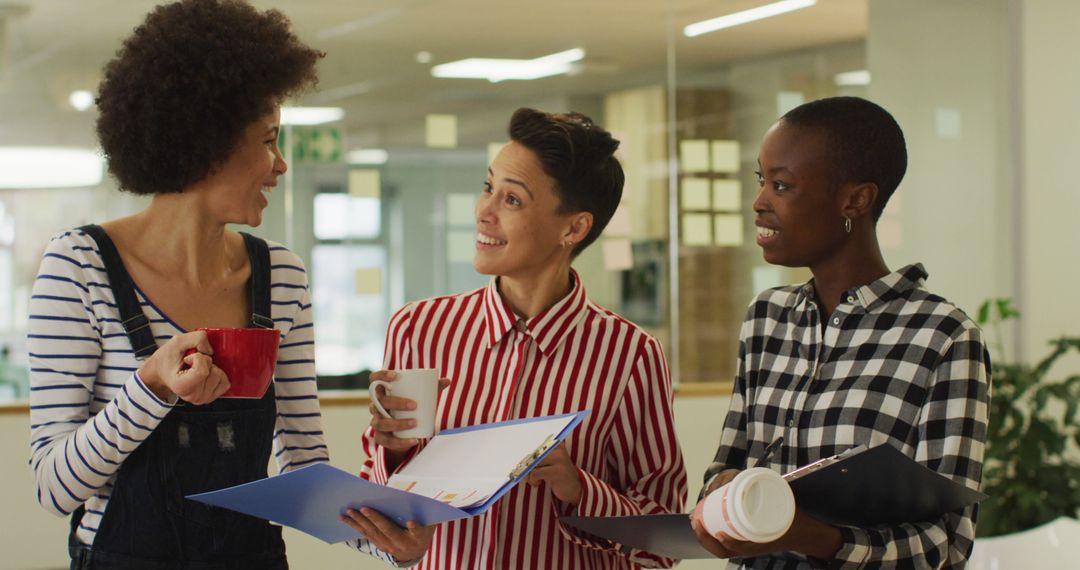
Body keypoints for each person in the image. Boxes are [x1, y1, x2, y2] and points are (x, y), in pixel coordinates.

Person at [26, 1, 327, 568]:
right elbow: (53, 487)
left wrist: (381, 536)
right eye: (268, 139)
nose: (280, 164)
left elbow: (305, 459)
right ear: (206, 141)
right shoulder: (80, 267)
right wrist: (152, 388)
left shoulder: (280, 275)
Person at [343, 108, 688, 569]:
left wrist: (578, 487)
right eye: (489, 187)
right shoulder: (417, 329)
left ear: (574, 228)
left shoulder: (629, 355)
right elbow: (374, 489)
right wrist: (393, 463)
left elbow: (664, 539)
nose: (483, 212)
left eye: (512, 200)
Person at [690, 96, 990, 569]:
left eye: (782, 185)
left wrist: (813, 537)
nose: (759, 202)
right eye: (761, 181)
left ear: (856, 199)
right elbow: (727, 465)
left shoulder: (943, 337)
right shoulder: (766, 317)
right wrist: (723, 496)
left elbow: (946, 545)